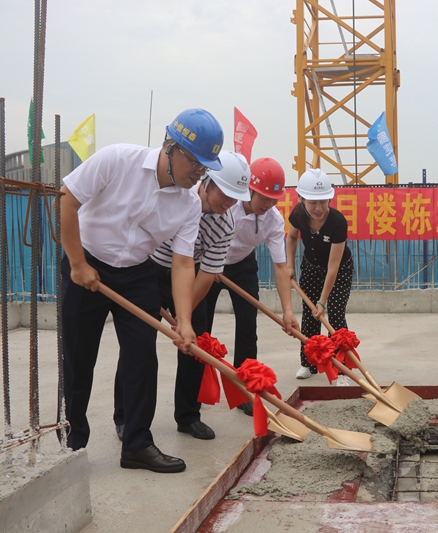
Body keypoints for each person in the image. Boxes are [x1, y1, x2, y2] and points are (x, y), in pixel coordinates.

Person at [60, 108, 223, 473]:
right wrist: (77, 264)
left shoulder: (188, 205)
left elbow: (183, 264)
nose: (199, 173)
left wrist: (184, 321)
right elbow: (68, 199)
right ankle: (72, 441)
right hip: (86, 262)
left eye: (205, 168)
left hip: (136, 274)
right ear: (171, 148)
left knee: (141, 357)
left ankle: (136, 443)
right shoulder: (118, 159)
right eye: (195, 164)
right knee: (79, 358)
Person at [114, 150, 250, 441]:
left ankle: (188, 415)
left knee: (196, 344)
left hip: (189, 278)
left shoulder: (225, 226)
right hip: (148, 271)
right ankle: (124, 416)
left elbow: (208, 272)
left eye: (234, 198)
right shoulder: (174, 200)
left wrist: (183, 316)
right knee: (137, 345)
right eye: (224, 194)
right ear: (207, 181)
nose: (228, 203)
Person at [205, 157, 300, 415]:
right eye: (264, 198)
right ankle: (196, 392)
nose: (268, 205)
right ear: (249, 190)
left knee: (248, 329)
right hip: (207, 265)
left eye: (273, 200)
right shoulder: (228, 207)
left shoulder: (273, 220)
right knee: (201, 329)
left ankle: (244, 390)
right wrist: (210, 267)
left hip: (242, 266)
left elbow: (281, 267)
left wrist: (288, 311)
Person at [286, 169, 353, 381]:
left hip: (339, 271)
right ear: (302, 199)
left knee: (334, 313)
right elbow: (291, 237)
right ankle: (309, 363)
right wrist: (290, 266)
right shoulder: (298, 215)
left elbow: (333, 268)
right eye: (312, 202)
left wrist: (322, 301)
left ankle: (342, 366)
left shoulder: (337, 222)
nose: (318, 208)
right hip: (311, 268)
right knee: (309, 315)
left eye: (323, 202)